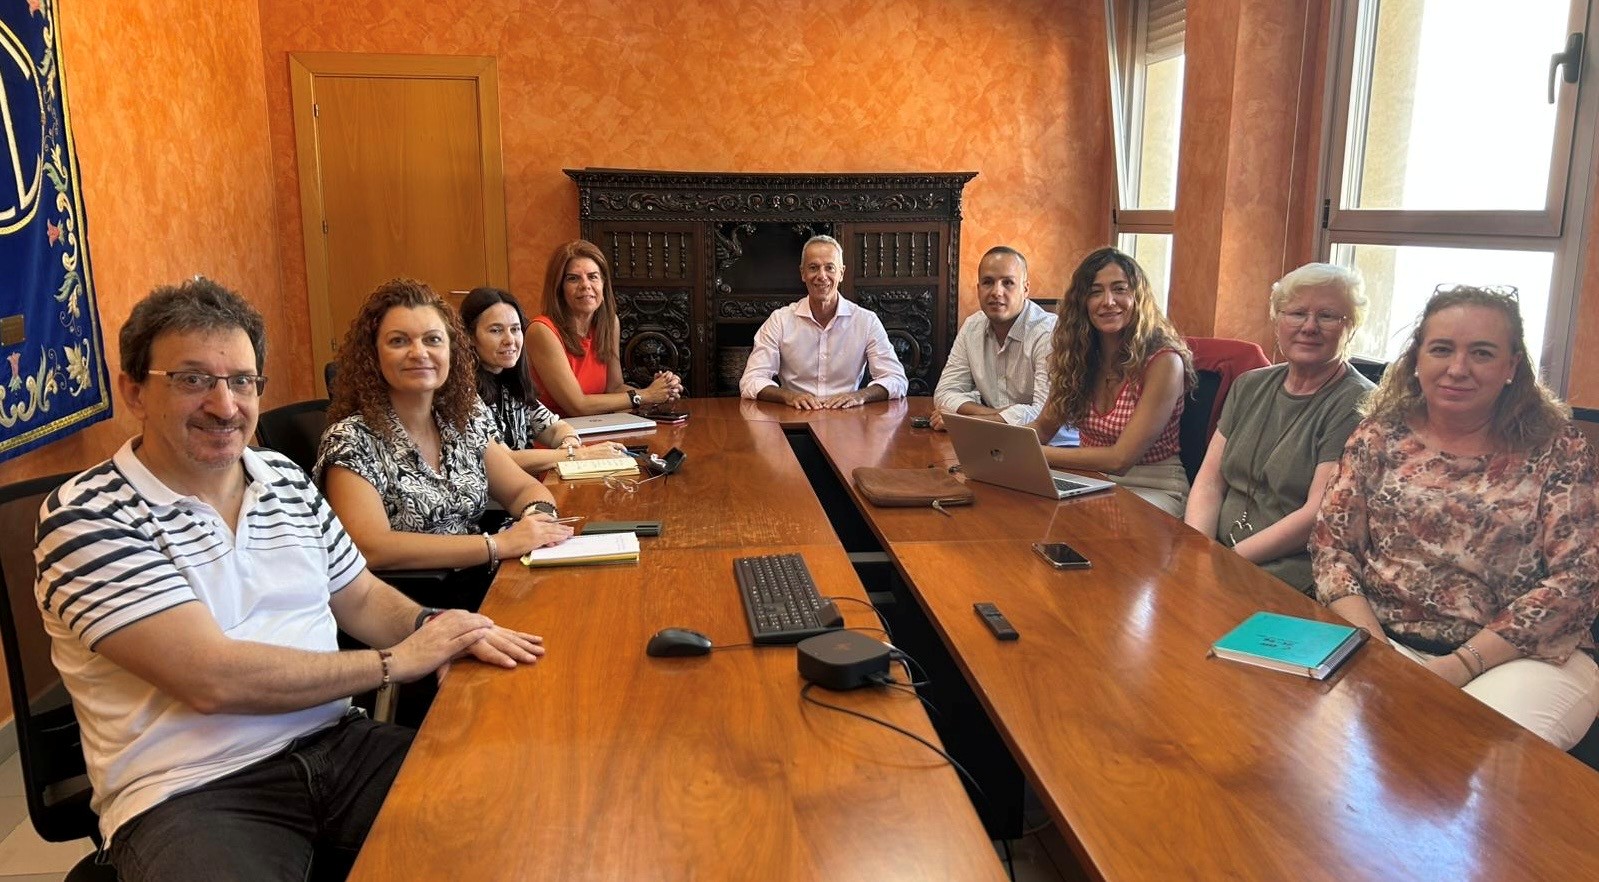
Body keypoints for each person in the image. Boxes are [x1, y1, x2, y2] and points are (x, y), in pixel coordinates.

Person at [32, 278, 544, 881]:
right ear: (135, 392)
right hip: (191, 791)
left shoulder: (282, 477)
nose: (225, 406)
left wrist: (437, 626)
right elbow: (212, 679)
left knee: (524, 820)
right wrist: (391, 662)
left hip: (336, 742)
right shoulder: (87, 515)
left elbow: (358, 595)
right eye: (193, 380)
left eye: (242, 381)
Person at [1311, 284, 1599, 749]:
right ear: (1417, 358)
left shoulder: (1558, 449)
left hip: (1524, 657)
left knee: (1454, 757)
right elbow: (1332, 548)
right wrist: (1376, 648)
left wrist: (1459, 665)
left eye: (1482, 353)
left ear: (1511, 367)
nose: (1458, 369)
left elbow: (1578, 581)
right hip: (1381, 638)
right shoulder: (1378, 435)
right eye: (1442, 349)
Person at [316, 279, 575, 578]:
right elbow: (370, 546)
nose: (419, 352)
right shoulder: (350, 440)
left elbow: (523, 489)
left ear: (452, 352)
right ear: (373, 356)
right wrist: (497, 545)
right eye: (399, 341)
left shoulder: (459, 423)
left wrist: (536, 522)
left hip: (485, 578)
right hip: (418, 601)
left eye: (433, 340)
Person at [1184, 263, 1374, 593]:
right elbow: (1210, 480)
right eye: (1297, 313)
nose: (1310, 327)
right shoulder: (1249, 384)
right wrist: (1199, 550)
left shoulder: (1356, 402)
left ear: (1352, 327)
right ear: (1277, 320)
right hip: (1217, 553)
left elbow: (1315, 515)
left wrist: (1225, 561)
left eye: (1328, 316)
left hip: (1286, 574)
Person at [1028, 247, 1194, 516]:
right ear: (1082, 302)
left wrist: (1033, 453)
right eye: (1095, 292)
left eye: (1120, 289)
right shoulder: (1078, 356)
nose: (1108, 301)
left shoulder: (1164, 361)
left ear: (1137, 297)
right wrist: (1002, 446)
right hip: (1090, 483)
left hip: (1154, 489)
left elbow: (1120, 459)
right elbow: (1043, 427)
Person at [460, 286, 628, 473]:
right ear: (469, 338)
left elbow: (557, 428)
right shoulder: (463, 392)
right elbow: (503, 460)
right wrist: (578, 455)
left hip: (520, 492)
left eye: (515, 329)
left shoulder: (510, 384)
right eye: (496, 330)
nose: (510, 340)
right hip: (487, 501)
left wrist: (569, 443)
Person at [739, 234, 909, 409]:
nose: (822, 276)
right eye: (813, 267)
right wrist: (788, 396)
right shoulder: (780, 321)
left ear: (841, 273)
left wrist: (860, 396)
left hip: (848, 419)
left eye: (830, 268)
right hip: (794, 417)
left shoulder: (866, 321)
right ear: (802, 273)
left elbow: (896, 379)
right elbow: (751, 380)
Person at [930, 245, 1076, 445]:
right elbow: (945, 393)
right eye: (988, 282)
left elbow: (1042, 415)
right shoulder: (972, 327)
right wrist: (993, 417)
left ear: (1025, 289)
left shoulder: (1049, 333)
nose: (996, 292)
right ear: (978, 288)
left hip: (1057, 450)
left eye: (1008, 283)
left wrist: (968, 422)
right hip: (996, 444)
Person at [525, 239, 682, 416]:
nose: (585, 285)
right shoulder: (541, 331)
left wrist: (659, 394)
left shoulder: (609, 323)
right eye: (573, 278)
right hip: (557, 437)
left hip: (600, 429)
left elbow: (613, 388)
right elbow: (577, 406)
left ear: (603, 284)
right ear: (559, 288)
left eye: (593, 276)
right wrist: (646, 395)